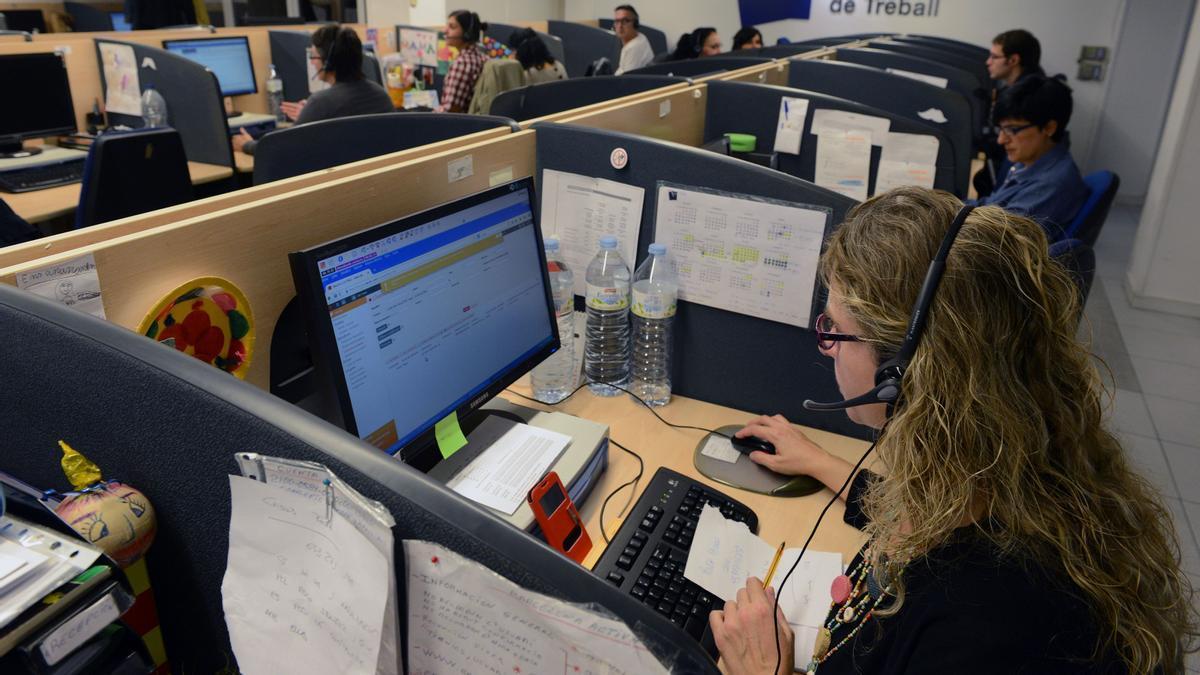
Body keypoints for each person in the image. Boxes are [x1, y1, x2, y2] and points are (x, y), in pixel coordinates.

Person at [709, 187, 1197, 674]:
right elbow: (920, 510)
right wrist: (818, 462)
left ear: (902, 373)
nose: (828, 348)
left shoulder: (982, 620)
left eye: (834, 330)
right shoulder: (1007, 465)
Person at [232, 24, 393, 156]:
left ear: (328, 62)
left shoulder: (322, 102)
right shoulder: (380, 94)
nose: (313, 63)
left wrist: (247, 145)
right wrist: (309, 114)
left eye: (314, 57)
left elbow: (282, 147)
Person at [971, 75, 1090, 238]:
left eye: (1012, 130)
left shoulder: (1049, 185)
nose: (1001, 139)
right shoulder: (1029, 160)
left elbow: (997, 240)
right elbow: (990, 205)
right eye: (1001, 129)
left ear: (1049, 128)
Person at [438, 10, 489, 113]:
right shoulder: (482, 57)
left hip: (459, 126)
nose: (445, 31)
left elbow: (451, 110)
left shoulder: (462, 64)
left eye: (452, 27)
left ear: (467, 33)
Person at [613, 4, 654, 74]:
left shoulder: (634, 48)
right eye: (617, 21)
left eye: (625, 21)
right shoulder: (640, 37)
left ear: (635, 24)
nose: (620, 26)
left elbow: (627, 80)